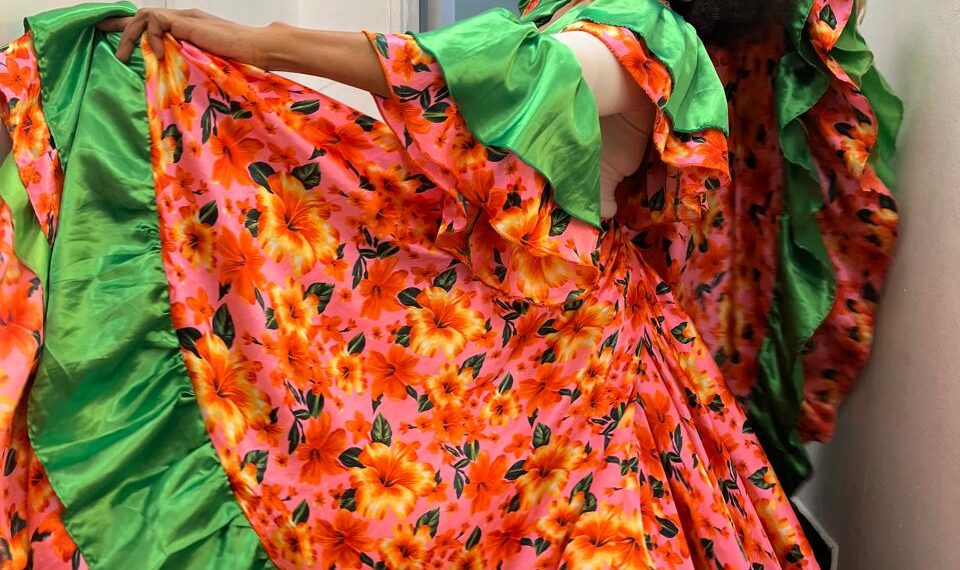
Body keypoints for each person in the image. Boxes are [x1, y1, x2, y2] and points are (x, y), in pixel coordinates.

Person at [0, 0, 898, 568]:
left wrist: (256, 43)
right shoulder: (571, 15)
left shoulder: (643, 32)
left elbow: (499, 81)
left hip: (581, 363)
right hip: (526, 343)